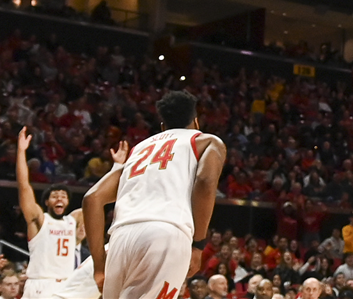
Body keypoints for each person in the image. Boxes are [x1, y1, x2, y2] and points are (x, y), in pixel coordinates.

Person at [83, 91, 227, 299]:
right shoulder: (206, 141)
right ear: (195, 123)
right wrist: (198, 245)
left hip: (120, 239)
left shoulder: (138, 150)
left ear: (162, 127)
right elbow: (205, 182)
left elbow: (92, 198)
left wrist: (99, 265)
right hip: (166, 232)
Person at [48, 141, 131, 299]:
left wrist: (117, 167)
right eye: (80, 226)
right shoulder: (115, 251)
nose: (83, 229)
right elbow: (92, 201)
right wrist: (118, 169)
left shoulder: (107, 250)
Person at [18, 127, 83, 299]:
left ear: (68, 202)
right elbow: (24, 186)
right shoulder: (39, 219)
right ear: (46, 202)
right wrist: (21, 151)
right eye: (55, 196)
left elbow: (97, 200)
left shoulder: (74, 219)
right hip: (42, 285)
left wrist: (117, 166)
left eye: (63, 196)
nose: (59, 199)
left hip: (66, 284)